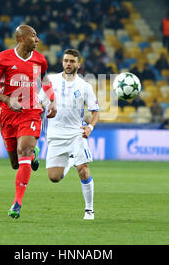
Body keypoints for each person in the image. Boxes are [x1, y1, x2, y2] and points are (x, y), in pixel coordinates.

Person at [0, 25, 57, 219]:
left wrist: (52, 100)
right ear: (22, 38)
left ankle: (17, 203)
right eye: (34, 36)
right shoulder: (3, 58)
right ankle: (33, 154)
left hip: (31, 111)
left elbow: (45, 82)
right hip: (8, 114)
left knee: (23, 151)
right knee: (15, 163)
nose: (37, 39)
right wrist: (8, 100)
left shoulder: (40, 59)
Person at [39, 49, 100, 220]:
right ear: (62, 62)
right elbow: (39, 103)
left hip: (76, 134)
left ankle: (89, 210)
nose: (68, 64)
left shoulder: (85, 86)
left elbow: (95, 111)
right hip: (55, 135)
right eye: (66, 60)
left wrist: (90, 127)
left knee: (83, 170)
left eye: (72, 61)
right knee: (54, 177)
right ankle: (71, 160)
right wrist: (42, 109)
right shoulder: (50, 80)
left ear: (78, 64)